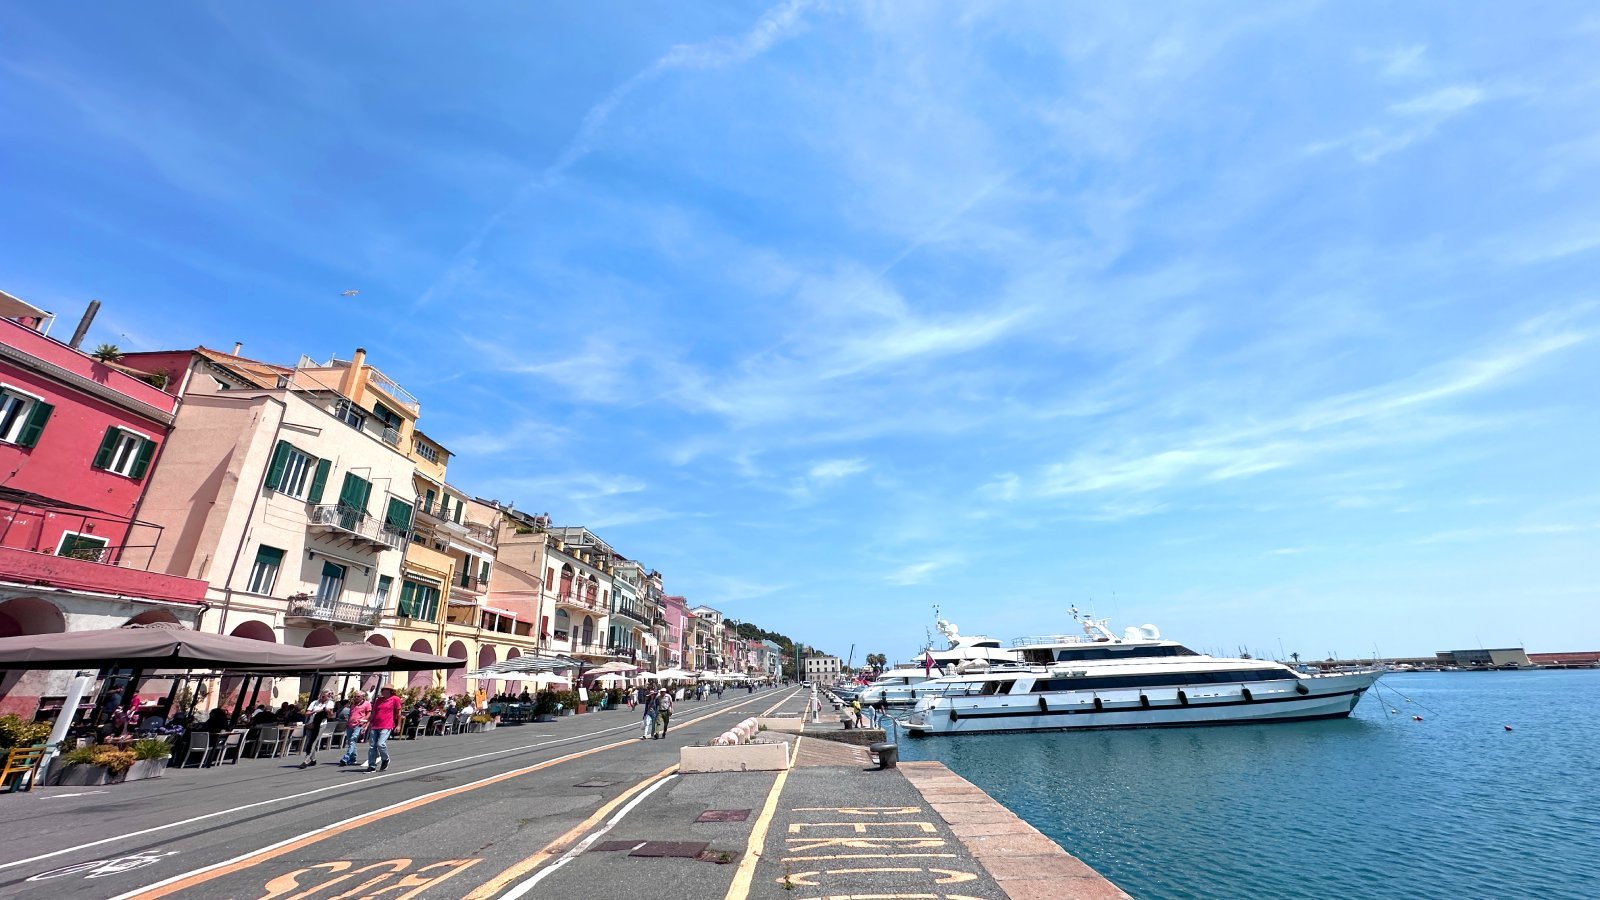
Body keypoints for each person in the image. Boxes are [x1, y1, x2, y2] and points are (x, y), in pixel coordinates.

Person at [365, 686, 403, 773]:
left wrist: (398, 725)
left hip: (387, 724)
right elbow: (374, 712)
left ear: (390, 691)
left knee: (381, 744)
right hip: (375, 724)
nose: (383, 692)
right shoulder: (379, 700)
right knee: (372, 746)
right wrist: (367, 722)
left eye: (385, 690)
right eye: (383, 690)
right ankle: (371, 765)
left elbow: (399, 713)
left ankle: (385, 759)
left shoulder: (395, 699)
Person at [298, 690, 336, 768]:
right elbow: (307, 713)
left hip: (320, 724)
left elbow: (331, 715)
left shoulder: (330, 703)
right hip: (311, 723)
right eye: (323, 696)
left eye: (326, 696)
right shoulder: (314, 702)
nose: (324, 698)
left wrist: (327, 710)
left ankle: (306, 760)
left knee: (313, 741)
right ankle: (313, 759)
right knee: (309, 741)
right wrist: (314, 711)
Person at [338, 690, 370, 766]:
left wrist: (363, 722)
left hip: (358, 725)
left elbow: (369, 713)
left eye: (358, 696)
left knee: (353, 740)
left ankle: (347, 757)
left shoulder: (367, 704)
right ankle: (353, 759)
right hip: (350, 725)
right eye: (355, 696)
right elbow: (351, 714)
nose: (356, 698)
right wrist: (348, 722)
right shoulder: (353, 704)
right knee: (351, 742)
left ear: (362, 697)